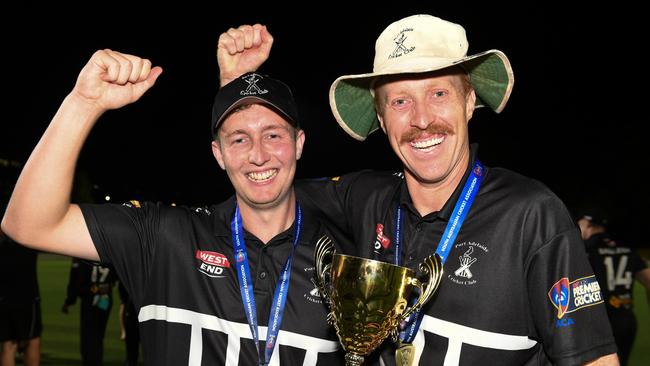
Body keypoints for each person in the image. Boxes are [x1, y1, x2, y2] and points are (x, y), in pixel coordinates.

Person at [218, 16, 619, 365]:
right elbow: (265, 182)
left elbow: (594, 360)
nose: (422, 120)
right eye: (400, 102)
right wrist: (239, 89)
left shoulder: (531, 213)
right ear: (381, 116)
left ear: (469, 101)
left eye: (439, 94)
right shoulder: (365, 198)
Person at [1, 33, 346, 364]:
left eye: (272, 135)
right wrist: (83, 103)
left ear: (299, 143)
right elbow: (28, 224)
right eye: (239, 139)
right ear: (218, 154)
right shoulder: (167, 238)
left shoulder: (343, 256)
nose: (258, 155)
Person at [577, 211, 650, 366]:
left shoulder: (585, 249)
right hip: (626, 319)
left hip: (599, 321)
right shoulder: (626, 248)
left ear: (588, 225)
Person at [61, 258, 117, 366]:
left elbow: (76, 280)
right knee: (99, 335)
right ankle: (97, 360)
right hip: (105, 298)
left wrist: (70, 300)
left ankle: (90, 361)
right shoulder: (108, 253)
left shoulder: (83, 255)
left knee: (88, 336)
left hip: (90, 298)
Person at [0, 230, 41, 366]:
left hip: (3, 295)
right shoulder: (24, 223)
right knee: (32, 342)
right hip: (26, 294)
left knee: (8, 345)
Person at [117, 280, 140, 366]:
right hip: (132, 318)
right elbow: (123, 306)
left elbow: (122, 306)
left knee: (132, 355)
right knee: (132, 355)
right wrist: (123, 329)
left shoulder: (127, 277)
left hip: (134, 318)